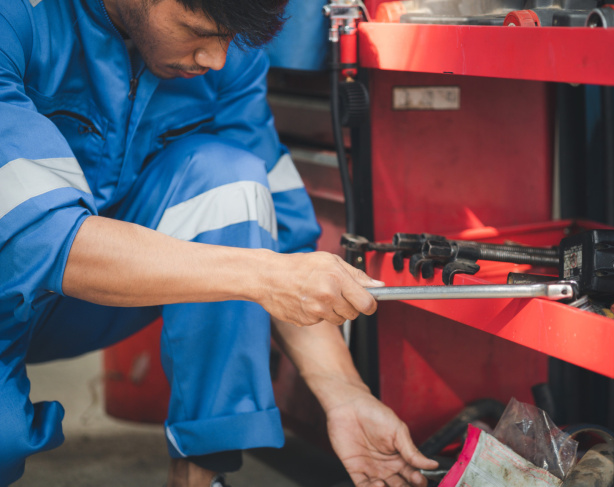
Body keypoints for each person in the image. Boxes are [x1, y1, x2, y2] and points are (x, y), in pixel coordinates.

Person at [0, 0, 439, 485]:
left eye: (230, 39)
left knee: (231, 178)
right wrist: (263, 277)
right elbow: (37, 239)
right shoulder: (15, 17)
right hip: (14, 280)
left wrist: (346, 395)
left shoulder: (228, 52)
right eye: (198, 31)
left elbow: (281, 247)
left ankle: (201, 476)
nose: (218, 60)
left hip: (90, 302)